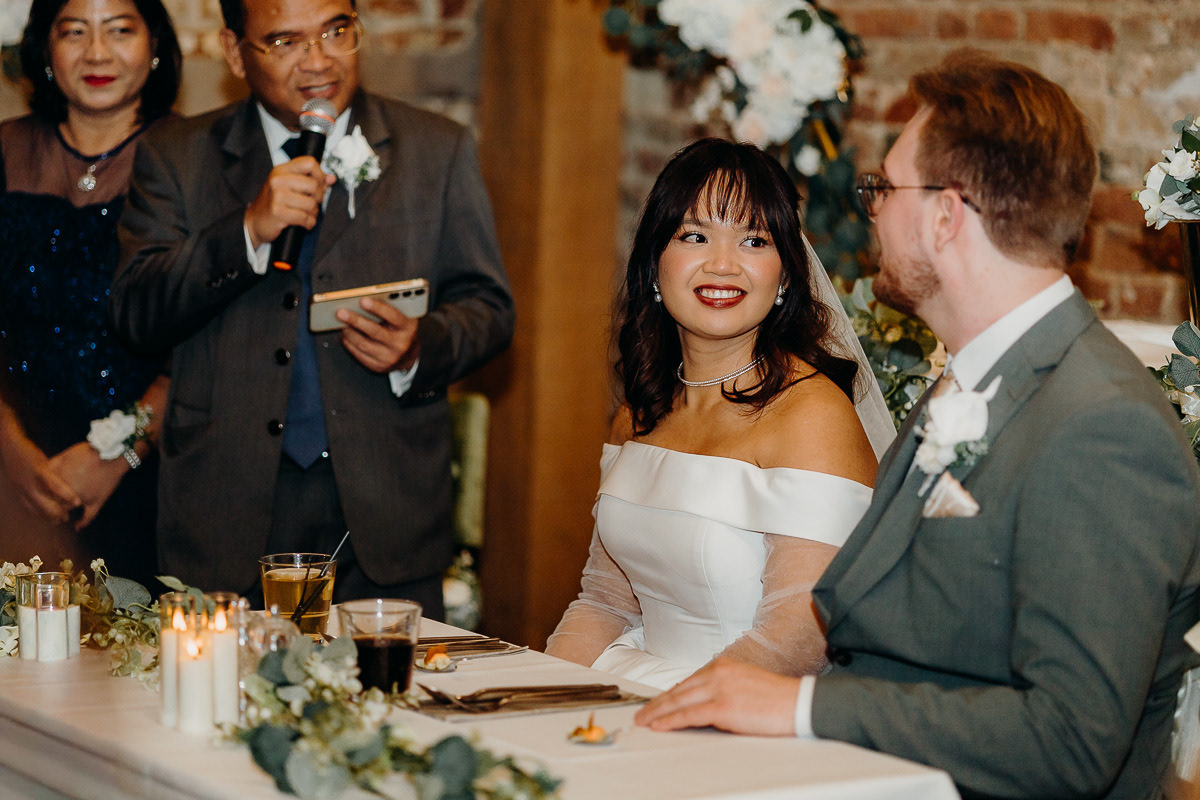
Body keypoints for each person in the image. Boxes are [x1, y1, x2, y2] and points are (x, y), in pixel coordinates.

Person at [635, 52, 1200, 800]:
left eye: (884, 188)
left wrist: (798, 707)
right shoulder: (973, 383)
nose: (871, 211)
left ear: (944, 215)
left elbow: (1071, 740)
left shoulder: (1103, 426)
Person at [109, 0, 513, 617]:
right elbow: (136, 313)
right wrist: (247, 231)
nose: (318, 61)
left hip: (386, 511)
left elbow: (488, 308)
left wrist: (418, 346)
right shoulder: (177, 155)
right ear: (234, 52)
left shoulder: (436, 149)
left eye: (336, 31)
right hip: (226, 512)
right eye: (285, 42)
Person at [544, 139, 895, 690]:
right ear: (655, 263)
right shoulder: (638, 413)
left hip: (741, 707)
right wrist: (541, 691)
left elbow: (798, 635)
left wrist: (668, 713)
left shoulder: (812, 415)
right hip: (629, 686)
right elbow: (604, 601)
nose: (723, 265)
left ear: (785, 275)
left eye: (754, 240)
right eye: (695, 236)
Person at [0, 0, 180, 588]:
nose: (97, 53)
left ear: (155, 46)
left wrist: (119, 453)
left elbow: (212, 340)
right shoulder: (5, 150)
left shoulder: (196, 161)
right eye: (74, 32)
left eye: (119, 30)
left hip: (155, 475)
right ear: (44, 50)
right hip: (11, 469)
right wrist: (9, 449)